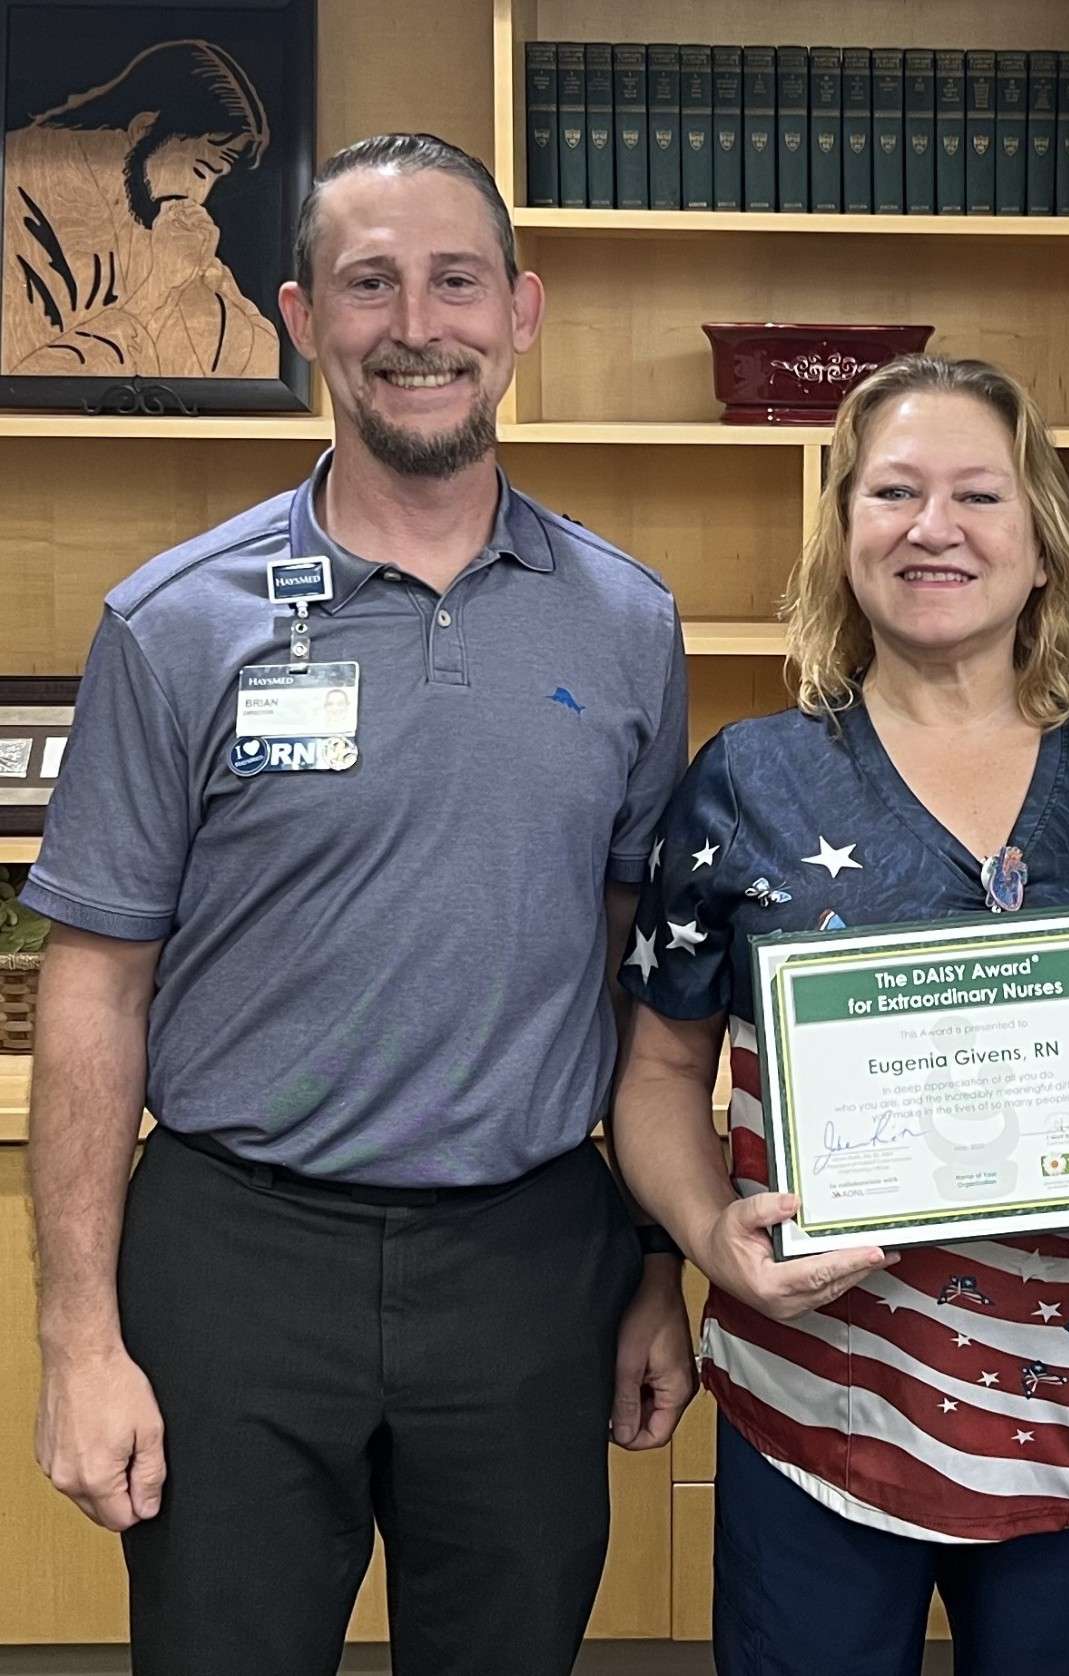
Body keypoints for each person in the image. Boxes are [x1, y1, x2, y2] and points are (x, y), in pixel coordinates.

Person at [24, 133, 695, 1676]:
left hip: (530, 1262)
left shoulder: (627, 621)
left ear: (522, 312)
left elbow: (642, 982)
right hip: (237, 1264)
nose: (417, 325)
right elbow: (95, 979)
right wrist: (77, 1339)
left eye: (456, 281)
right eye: (368, 284)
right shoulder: (175, 622)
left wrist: (657, 1269)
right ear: (296, 318)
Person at [612, 353, 1069, 1676]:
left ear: (1042, 545)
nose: (933, 527)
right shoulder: (752, 781)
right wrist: (701, 1239)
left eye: (978, 494)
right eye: (893, 492)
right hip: (821, 1395)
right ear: (844, 537)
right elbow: (661, 1068)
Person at [3, 39, 281, 378]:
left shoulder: (148, 206)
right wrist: (161, 285)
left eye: (214, 178)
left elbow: (255, 354)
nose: (200, 194)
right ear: (144, 129)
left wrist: (196, 281)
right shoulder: (28, 191)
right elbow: (32, 374)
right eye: (199, 170)